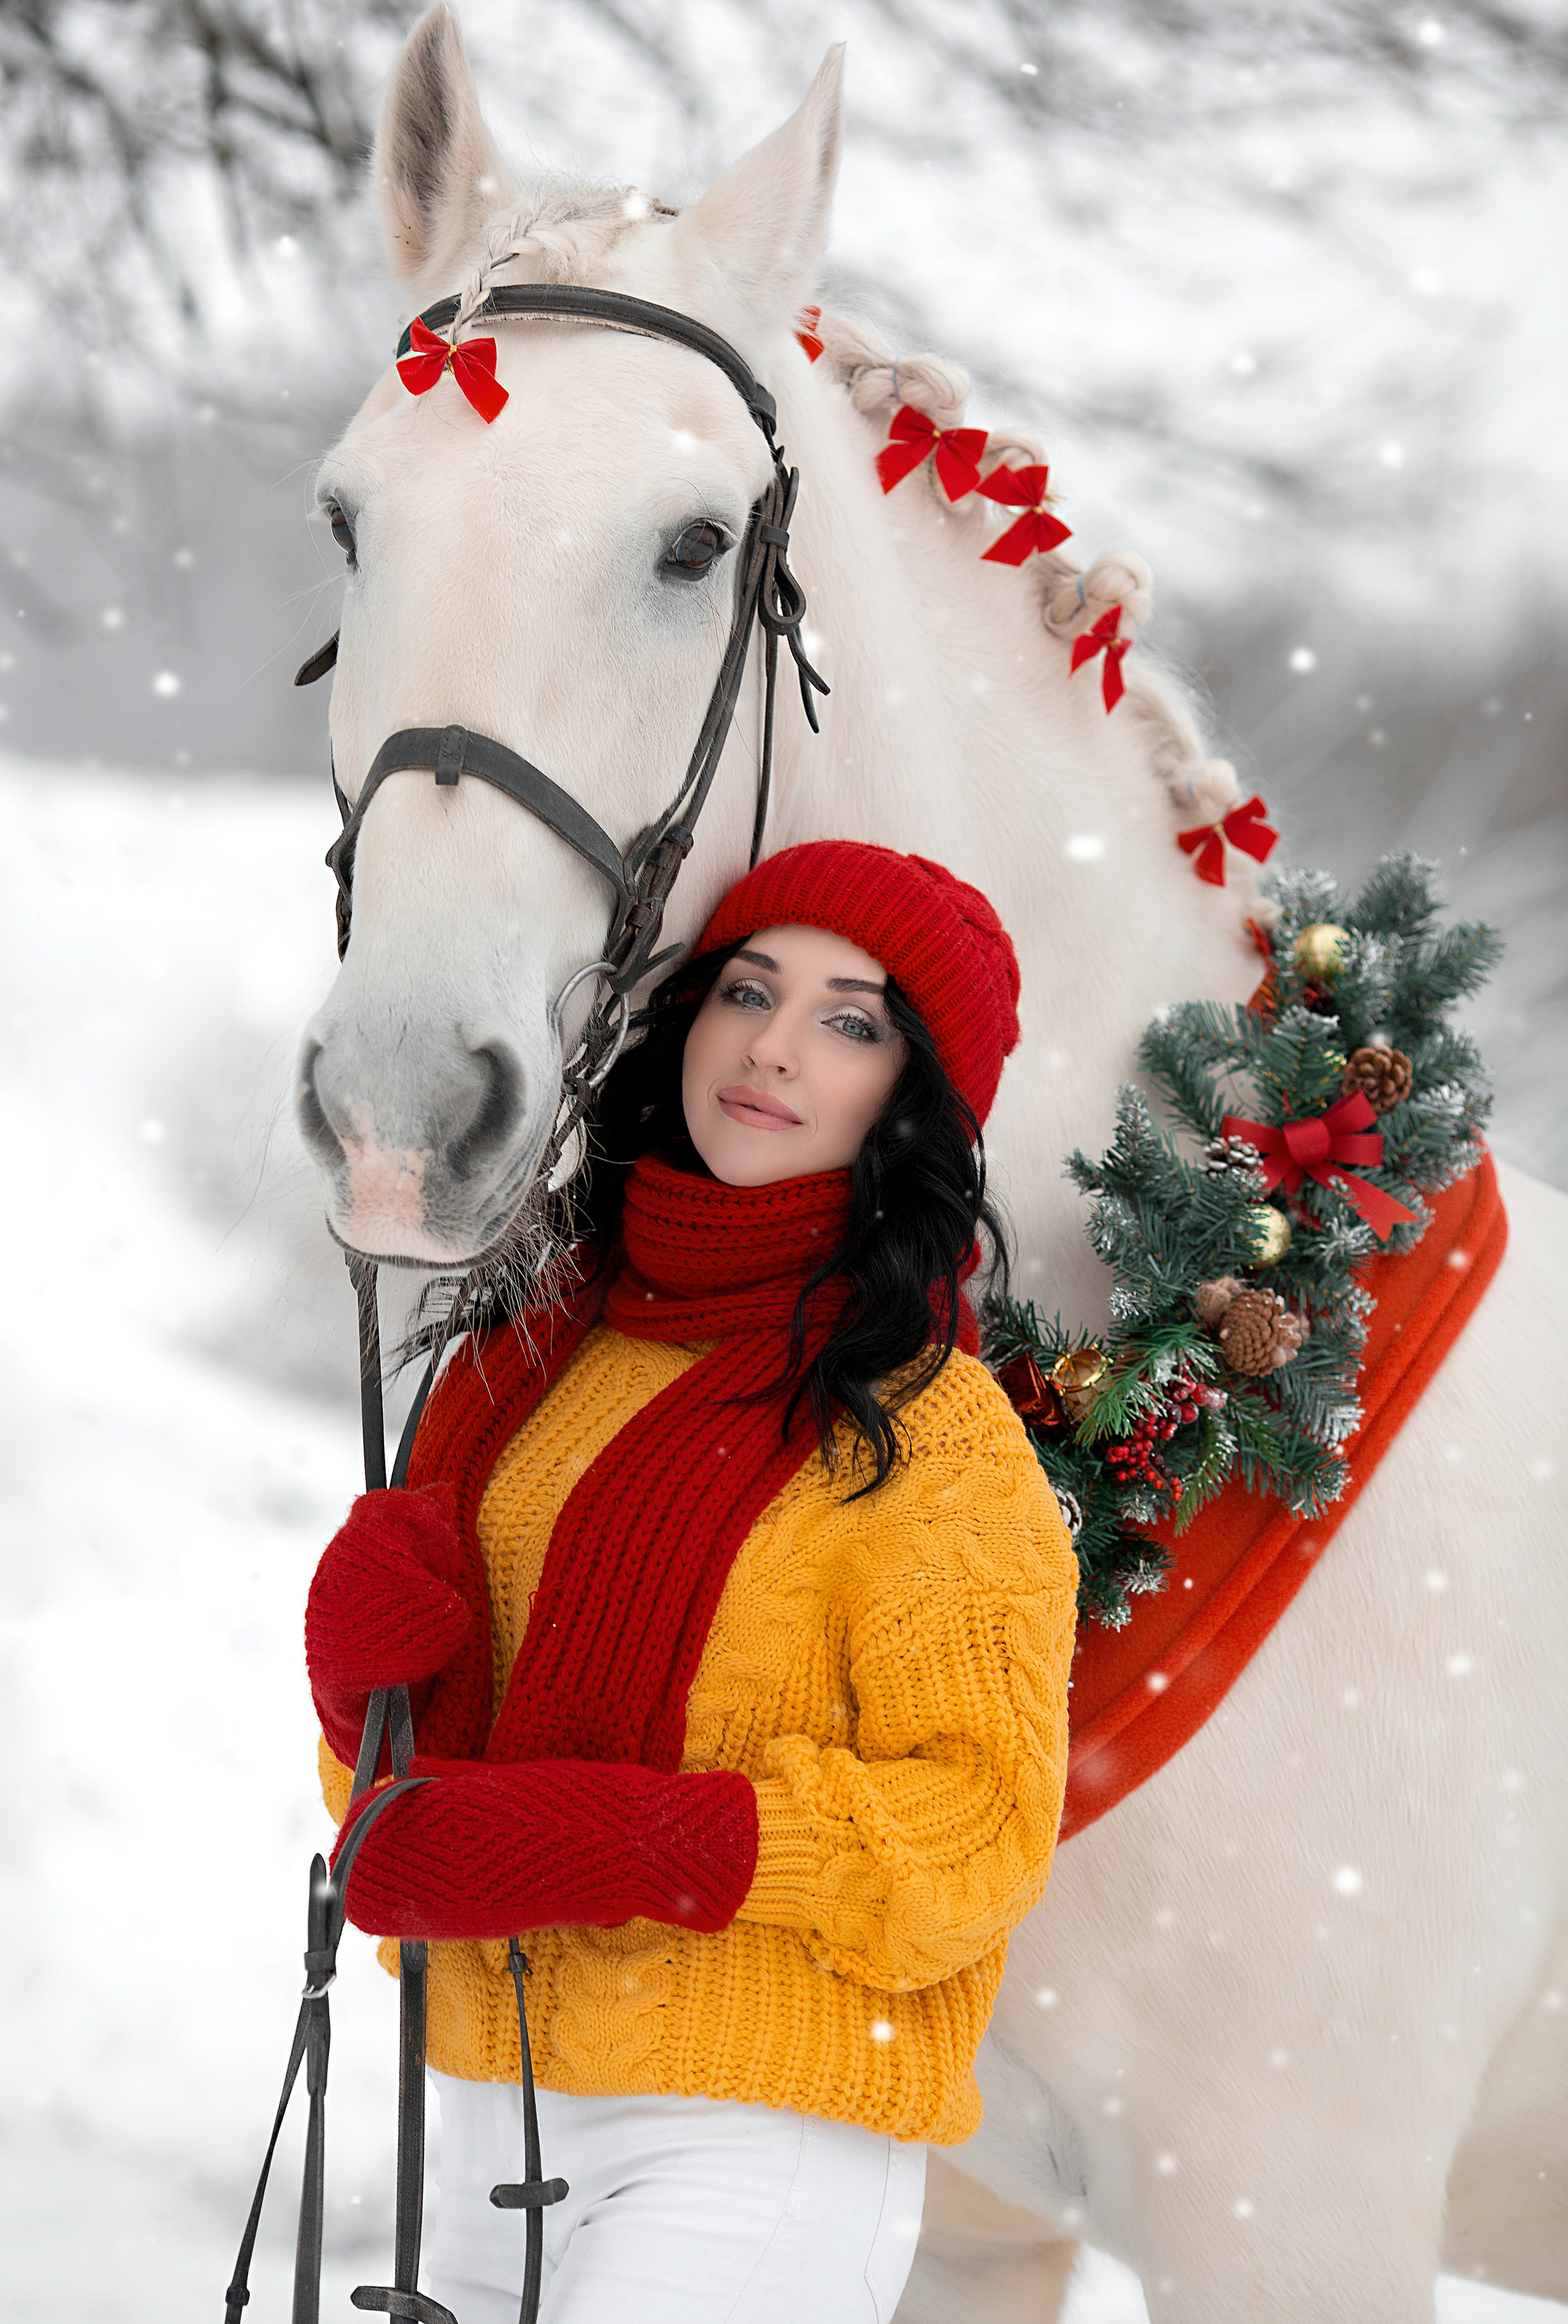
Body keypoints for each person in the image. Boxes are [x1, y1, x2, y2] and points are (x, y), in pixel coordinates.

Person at [304, 839, 1078, 2324]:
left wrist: (640, 1841)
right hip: (471, 2116)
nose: (773, 1049)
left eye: (850, 1023)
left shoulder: (926, 1428)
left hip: (751, 2138)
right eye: (747, 990)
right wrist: (354, 1701)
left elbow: (975, 1837)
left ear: (902, 1104)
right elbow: (421, 1824)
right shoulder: (521, 1367)